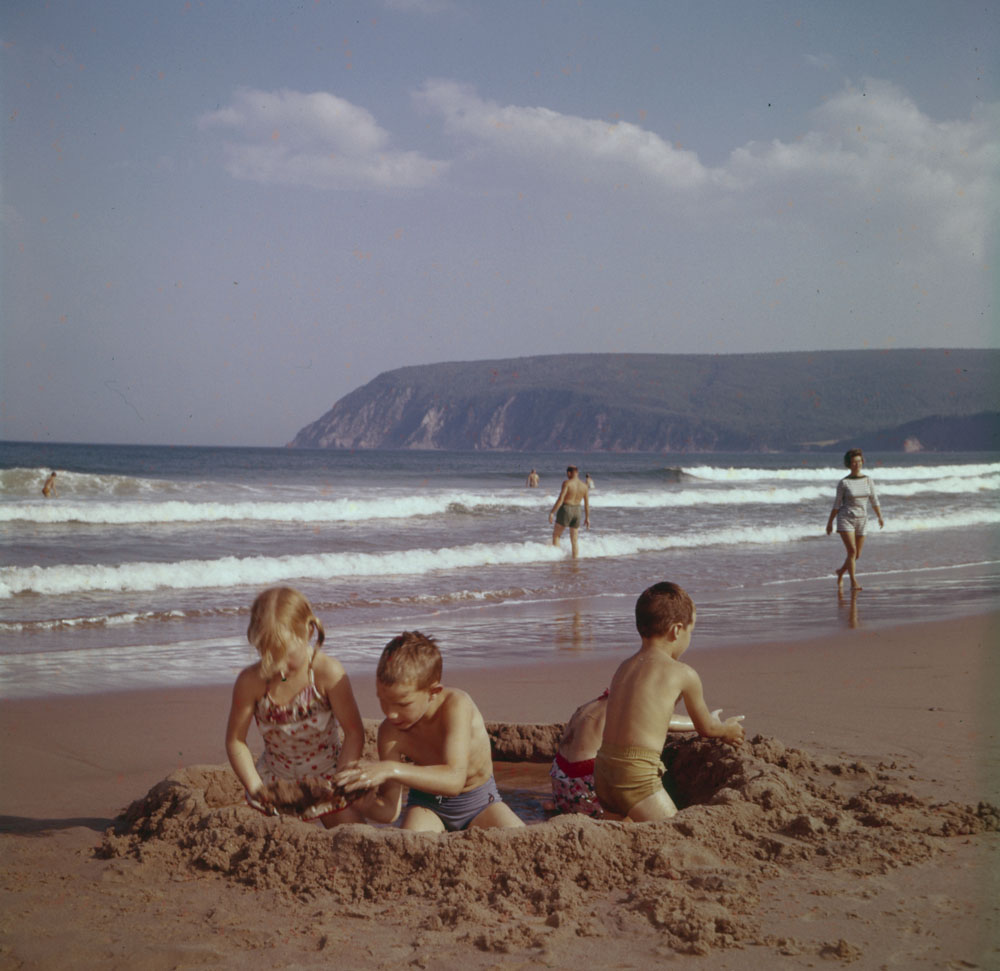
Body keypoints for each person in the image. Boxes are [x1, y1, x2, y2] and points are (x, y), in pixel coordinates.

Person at [336, 631, 525, 832]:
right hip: (428, 806)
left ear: (433, 692)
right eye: (382, 700)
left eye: (403, 704)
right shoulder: (389, 733)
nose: (390, 714)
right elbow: (389, 811)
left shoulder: (456, 706)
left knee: (522, 841)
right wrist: (366, 803)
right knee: (409, 847)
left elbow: (454, 780)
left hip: (480, 802)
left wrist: (390, 769)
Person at [594, 581, 745, 821]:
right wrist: (727, 730)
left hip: (602, 772)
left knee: (622, 828)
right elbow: (707, 729)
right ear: (676, 630)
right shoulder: (683, 673)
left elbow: (644, 718)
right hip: (638, 778)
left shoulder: (625, 667)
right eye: (690, 631)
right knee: (676, 832)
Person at [225, 587, 366, 827]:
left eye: (284, 654)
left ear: (309, 631)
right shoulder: (251, 681)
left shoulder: (327, 673)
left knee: (355, 837)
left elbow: (354, 732)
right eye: (266, 653)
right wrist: (256, 787)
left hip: (326, 780)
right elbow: (235, 740)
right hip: (276, 783)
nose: (278, 666)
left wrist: (338, 783)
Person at [550, 689, 714, 818]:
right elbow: (667, 721)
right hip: (589, 788)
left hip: (562, 786)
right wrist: (709, 721)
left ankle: (567, 808)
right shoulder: (626, 708)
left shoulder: (592, 705)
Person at [826, 448, 884, 592]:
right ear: (848, 464)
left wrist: (879, 516)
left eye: (859, 461)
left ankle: (840, 572)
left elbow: (874, 500)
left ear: (862, 462)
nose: (856, 465)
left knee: (857, 554)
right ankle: (853, 582)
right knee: (852, 551)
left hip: (862, 519)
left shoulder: (868, 480)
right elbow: (837, 504)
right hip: (846, 518)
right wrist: (830, 523)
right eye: (853, 462)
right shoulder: (844, 483)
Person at [549, 465, 590, 557]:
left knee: (556, 535)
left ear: (569, 473)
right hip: (578, 511)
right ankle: (575, 562)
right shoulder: (584, 486)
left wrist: (552, 512)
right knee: (574, 540)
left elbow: (561, 499)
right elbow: (587, 504)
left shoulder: (567, 483)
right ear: (577, 472)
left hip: (566, 509)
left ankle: (556, 560)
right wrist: (587, 518)